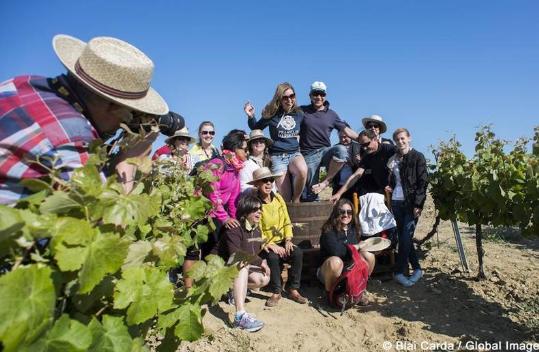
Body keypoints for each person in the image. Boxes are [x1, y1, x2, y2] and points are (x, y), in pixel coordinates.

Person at [0, 34, 171, 205]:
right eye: (131, 112)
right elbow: (106, 224)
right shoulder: (72, 141)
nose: (126, 122)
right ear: (114, 107)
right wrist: (129, 160)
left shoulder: (22, 83)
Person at [182, 130, 247, 289]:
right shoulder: (217, 164)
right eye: (244, 149)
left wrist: (233, 218)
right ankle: (188, 290)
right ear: (234, 149)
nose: (248, 152)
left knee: (211, 250)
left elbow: (232, 198)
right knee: (193, 250)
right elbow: (213, 193)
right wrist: (225, 219)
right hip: (198, 212)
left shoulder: (235, 169)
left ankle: (204, 287)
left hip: (215, 214)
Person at [248, 167, 307, 306]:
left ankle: (294, 288)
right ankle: (276, 291)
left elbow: (286, 220)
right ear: (257, 184)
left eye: (271, 180)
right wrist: (270, 245)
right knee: (273, 257)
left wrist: (288, 240)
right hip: (265, 243)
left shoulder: (278, 198)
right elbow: (256, 229)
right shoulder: (255, 203)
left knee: (297, 253)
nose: (269, 184)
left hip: (282, 240)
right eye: (264, 181)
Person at [245, 82, 307, 203]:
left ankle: (297, 200)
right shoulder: (272, 114)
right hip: (278, 157)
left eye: (292, 96)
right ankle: (288, 215)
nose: (289, 100)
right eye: (285, 97)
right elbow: (256, 127)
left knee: (302, 170)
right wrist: (251, 116)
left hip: (294, 153)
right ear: (279, 98)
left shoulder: (299, 114)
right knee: (285, 197)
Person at [299, 81, 358, 201]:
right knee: (311, 192)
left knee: (341, 150)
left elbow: (347, 130)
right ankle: (312, 210)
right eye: (315, 94)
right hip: (308, 154)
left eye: (322, 94)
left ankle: (326, 182)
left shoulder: (332, 114)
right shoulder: (301, 111)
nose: (319, 97)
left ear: (325, 96)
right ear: (310, 95)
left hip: (326, 152)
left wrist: (365, 140)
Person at [221, 195, 270, 332]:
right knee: (242, 264)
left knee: (263, 279)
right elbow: (235, 255)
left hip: (234, 271)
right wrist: (260, 262)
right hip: (219, 270)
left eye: (260, 209)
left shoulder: (256, 230)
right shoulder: (234, 228)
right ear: (245, 211)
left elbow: (252, 254)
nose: (259, 212)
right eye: (255, 209)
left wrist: (261, 262)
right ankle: (240, 316)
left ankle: (232, 291)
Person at [385, 128, 428, 287]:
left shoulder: (418, 157)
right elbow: (396, 180)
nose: (400, 142)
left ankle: (399, 272)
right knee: (406, 238)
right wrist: (391, 187)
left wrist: (418, 204)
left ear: (409, 138)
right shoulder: (395, 159)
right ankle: (417, 269)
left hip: (411, 204)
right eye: (397, 140)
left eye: (402, 138)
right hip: (396, 203)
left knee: (405, 238)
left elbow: (422, 183)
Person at [319, 199, 375, 292]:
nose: (346, 215)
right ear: (336, 213)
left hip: (349, 268)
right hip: (329, 271)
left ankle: (360, 289)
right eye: (342, 212)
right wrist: (356, 247)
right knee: (336, 261)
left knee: (369, 255)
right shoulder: (328, 230)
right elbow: (336, 252)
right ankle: (330, 293)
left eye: (349, 212)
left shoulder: (354, 229)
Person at [331, 129, 396, 202]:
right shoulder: (367, 156)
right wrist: (339, 194)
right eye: (362, 146)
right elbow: (356, 176)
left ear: (375, 139)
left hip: (396, 190)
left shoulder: (389, 149)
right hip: (382, 192)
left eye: (366, 144)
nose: (364, 148)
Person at [331, 129, 363, 201]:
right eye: (340, 137)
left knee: (355, 208)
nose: (343, 139)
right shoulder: (335, 148)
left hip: (355, 186)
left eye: (345, 137)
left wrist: (358, 161)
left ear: (350, 135)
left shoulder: (359, 147)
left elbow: (364, 166)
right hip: (338, 185)